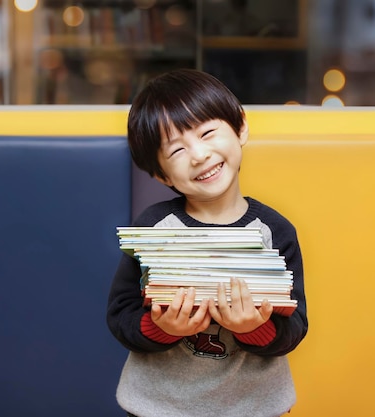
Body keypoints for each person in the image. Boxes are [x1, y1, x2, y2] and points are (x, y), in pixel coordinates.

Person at [106, 69, 308, 417]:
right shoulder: (155, 228)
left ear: (240, 127)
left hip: (254, 408)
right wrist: (162, 327)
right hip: (158, 407)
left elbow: (295, 326)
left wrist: (255, 328)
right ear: (161, 175)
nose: (199, 154)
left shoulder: (274, 232)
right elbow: (120, 314)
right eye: (177, 149)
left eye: (208, 132)